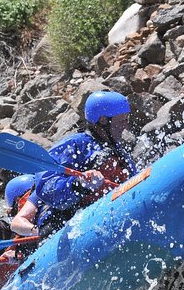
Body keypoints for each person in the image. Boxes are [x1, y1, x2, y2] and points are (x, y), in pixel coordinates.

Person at [33, 90, 139, 223]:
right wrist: (79, 184)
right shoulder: (75, 145)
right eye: (122, 120)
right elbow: (46, 186)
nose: (126, 125)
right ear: (104, 120)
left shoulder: (118, 151)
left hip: (114, 213)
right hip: (77, 222)